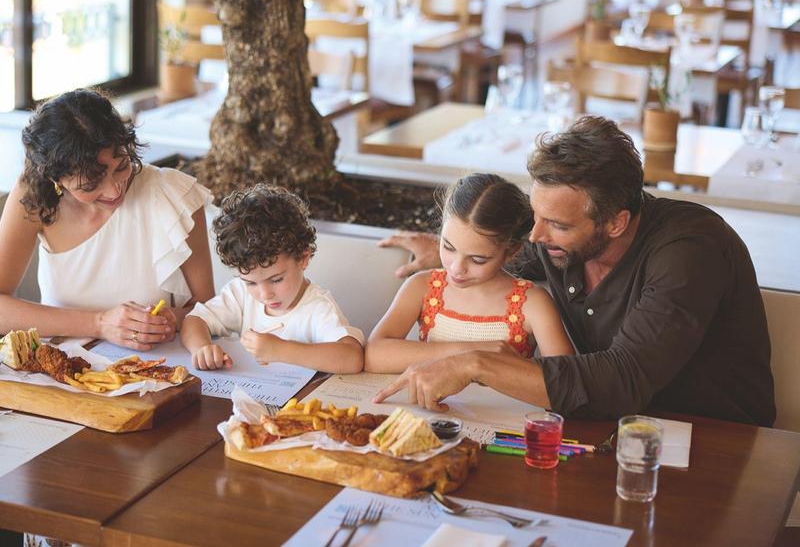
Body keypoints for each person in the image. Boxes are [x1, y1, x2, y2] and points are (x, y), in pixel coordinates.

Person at [374, 116, 775, 427]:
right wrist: (449, 250)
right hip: (603, 427)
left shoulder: (690, 250)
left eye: (558, 225)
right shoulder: (555, 240)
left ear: (615, 223)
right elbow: (500, 257)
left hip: (710, 436)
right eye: (536, 215)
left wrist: (475, 363)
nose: (535, 234)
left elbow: (623, 378)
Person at [0, 89, 215, 349]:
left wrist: (171, 319)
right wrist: (100, 323)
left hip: (158, 368)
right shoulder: (33, 196)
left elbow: (207, 308)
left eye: (122, 166)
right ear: (56, 180)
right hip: (62, 371)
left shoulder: (174, 194)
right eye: (90, 185)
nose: (114, 191)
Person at [366, 173, 574, 373]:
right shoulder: (422, 287)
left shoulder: (532, 303)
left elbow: (567, 380)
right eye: (448, 247)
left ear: (511, 252)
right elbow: (374, 355)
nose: (457, 268)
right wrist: (469, 351)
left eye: (477, 259)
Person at [181, 183, 364, 373]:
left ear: (303, 258)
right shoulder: (241, 294)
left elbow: (352, 358)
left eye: (276, 280)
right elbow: (193, 320)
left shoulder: (318, 308)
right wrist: (202, 349)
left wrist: (281, 350)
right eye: (251, 282)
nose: (265, 294)